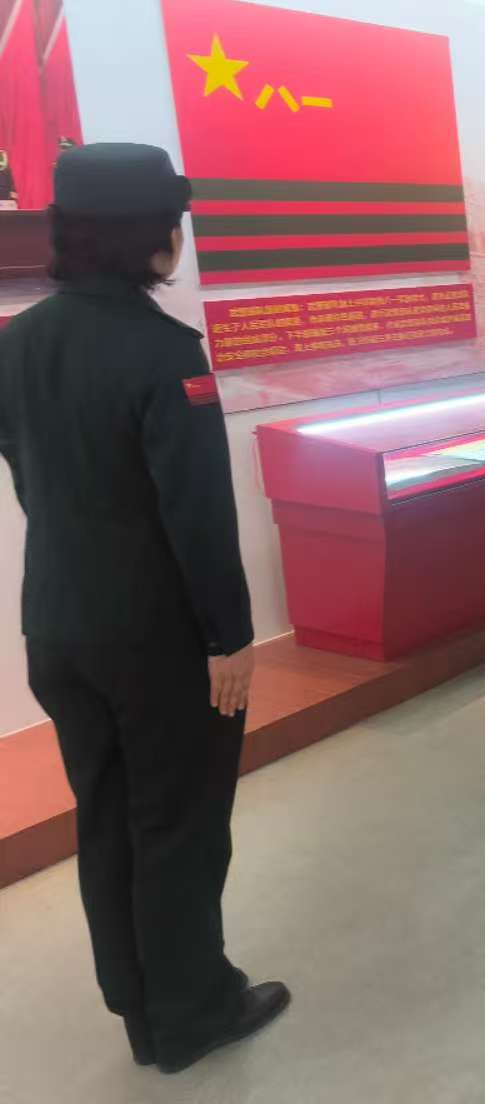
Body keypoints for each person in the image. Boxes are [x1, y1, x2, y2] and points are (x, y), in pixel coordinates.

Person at [0, 144, 289, 1074]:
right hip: (157, 639)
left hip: (56, 622)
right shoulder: (166, 355)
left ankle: (139, 1004)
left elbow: (31, 476)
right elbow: (196, 514)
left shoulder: (17, 342)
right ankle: (195, 1011)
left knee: (108, 817)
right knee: (180, 824)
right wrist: (230, 636)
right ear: (151, 237)